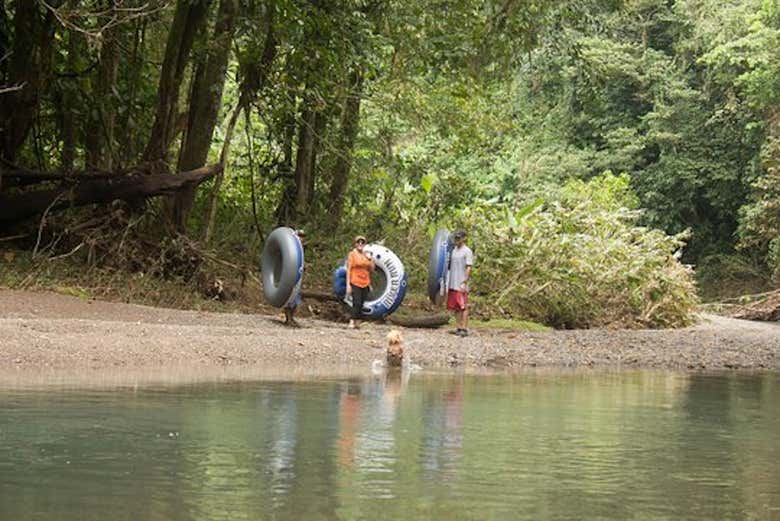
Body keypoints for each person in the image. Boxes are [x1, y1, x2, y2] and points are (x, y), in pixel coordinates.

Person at [447, 229, 473, 337]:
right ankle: (458, 327)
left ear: (463, 238)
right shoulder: (453, 250)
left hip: (461, 282)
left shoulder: (467, 251)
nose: (456, 240)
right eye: (455, 238)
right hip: (453, 281)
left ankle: (465, 328)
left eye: (458, 238)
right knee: (456, 306)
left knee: (464, 306)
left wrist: (464, 281)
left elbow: (468, 267)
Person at [346, 234, 374, 329]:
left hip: (365, 282)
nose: (360, 243)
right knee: (356, 302)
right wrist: (348, 285)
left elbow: (371, 269)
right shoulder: (352, 254)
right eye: (358, 242)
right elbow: (348, 269)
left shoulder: (366, 255)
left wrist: (370, 259)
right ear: (355, 244)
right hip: (355, 281)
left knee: (362, 303)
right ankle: (351, 321)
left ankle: (358, 322)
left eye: (362, 242)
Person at [283, 229, 306, 327]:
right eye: (299, 236)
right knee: (288, 298)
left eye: (302, 236)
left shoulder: (301, 249)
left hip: (297, 277)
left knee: (296, 299)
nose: (301, 238)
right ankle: (288, 319)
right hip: (288, 277)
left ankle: (291, 318)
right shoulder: (290, 247)